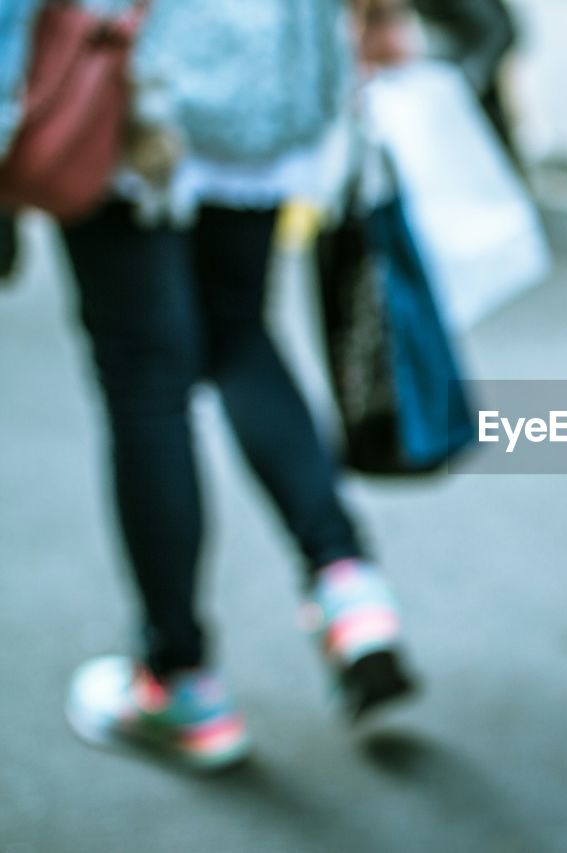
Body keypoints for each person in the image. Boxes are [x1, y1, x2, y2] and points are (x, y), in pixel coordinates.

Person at [3, 0, 419, 770]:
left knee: (144, 380)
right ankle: (347, 586)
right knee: (239, 331)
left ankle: (179, 676)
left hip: (132, 82)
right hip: (266, 85)